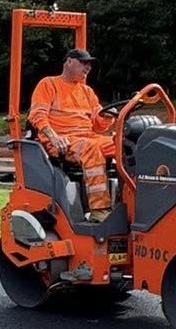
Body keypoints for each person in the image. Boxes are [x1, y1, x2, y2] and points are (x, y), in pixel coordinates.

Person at [28, 46, 116, 216]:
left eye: (90, 65)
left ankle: (130, 201)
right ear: (69, 62)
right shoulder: (49, 84)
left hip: (88, 137)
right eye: (83, 63)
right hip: (62, 140)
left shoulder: (87, 92)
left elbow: (99, 125)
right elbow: (37, 115)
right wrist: (53, 137)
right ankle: (99, 210)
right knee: (91, 148)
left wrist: (107, 116)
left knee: (124, 144)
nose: (88, 67)